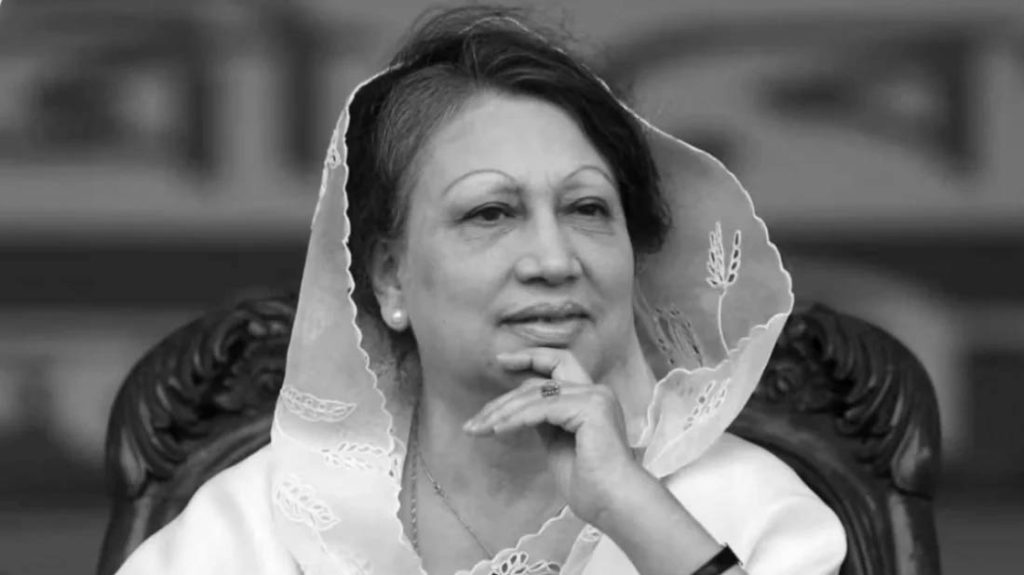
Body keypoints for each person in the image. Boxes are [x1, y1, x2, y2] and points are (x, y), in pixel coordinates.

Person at [115, 5, 846, 575]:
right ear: (390, 277)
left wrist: (631, 506)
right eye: (490, 213)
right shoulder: (263, 525)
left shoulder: (743, 506)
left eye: (588, 209)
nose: (554, 259)